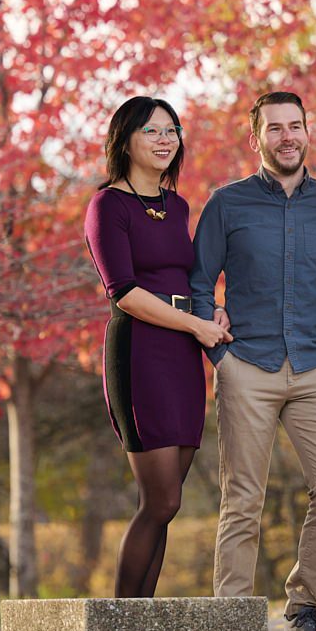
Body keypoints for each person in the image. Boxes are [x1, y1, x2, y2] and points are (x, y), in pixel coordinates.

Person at [190, 90, 316, 631]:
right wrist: (221, 356)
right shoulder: (226, 204)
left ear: (309, 132)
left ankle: (304, 610)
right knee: (243, 499)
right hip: (248, 366)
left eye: (296, 126)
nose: (287, 137)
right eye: (275, 128)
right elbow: (197, 283)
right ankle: (232, 622)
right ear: (255, 137)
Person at [84, 96, 233, 598]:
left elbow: (187, 277)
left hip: (183, 354)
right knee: (159, 499)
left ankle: (141, 620)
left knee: (171, 502)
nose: (165, 139)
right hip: (140, 350)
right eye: (151, 131)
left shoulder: (178, 206)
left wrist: (209, 311)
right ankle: (120, 621)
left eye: (171, 130)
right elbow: (123, 293)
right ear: (124, 139)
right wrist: (194, 325)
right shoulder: (107, 206)